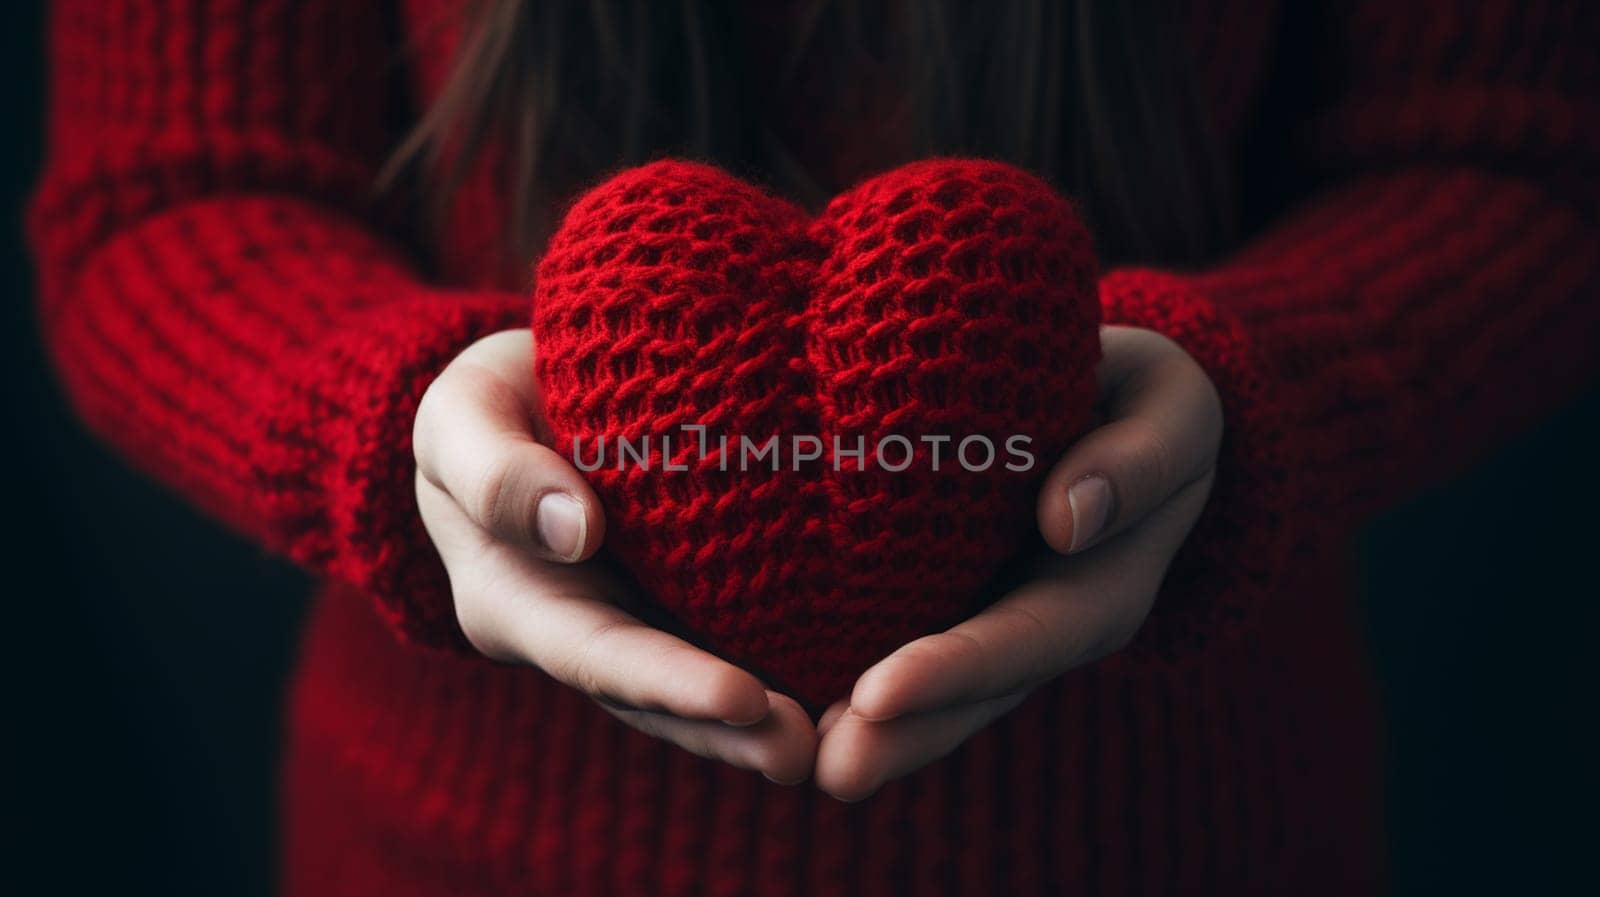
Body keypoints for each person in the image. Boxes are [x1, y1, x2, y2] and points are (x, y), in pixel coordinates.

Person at [28, 1, 1598, 894]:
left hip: (1195, 837)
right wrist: (405, 423)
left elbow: (1509, 160)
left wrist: (1247, 394)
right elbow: (164, 189)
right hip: (451, 845)